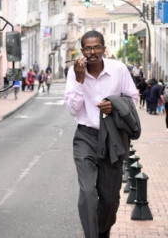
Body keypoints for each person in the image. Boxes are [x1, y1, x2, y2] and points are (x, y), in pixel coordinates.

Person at [64, 30, 138, 238]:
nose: (92, 52)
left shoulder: (119, 69)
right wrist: (80, 81)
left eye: (97, 47)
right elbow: (72, 110)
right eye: (88, 48)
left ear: (104, 49)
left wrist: (114, 107)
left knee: (109, 198)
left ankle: (103, 230)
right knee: (87, 192)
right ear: (82, 50)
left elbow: (133, 99)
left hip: (113, 138)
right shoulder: (74, 72)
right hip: (85, 137)